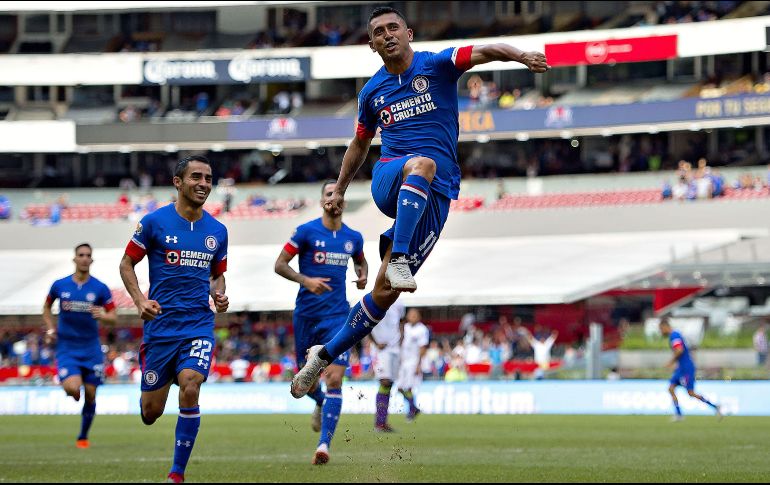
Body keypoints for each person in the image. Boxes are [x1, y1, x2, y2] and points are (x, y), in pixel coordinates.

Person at [290, 6, 548, 400]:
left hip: (437, 195)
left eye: (393, 27)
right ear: (372, 45)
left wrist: (521, 56)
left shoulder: (438, 65)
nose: (387, 34)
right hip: (392, 177)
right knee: (421, 163)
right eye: (378, 31)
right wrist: (341, 187)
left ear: (409, 33)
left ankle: (321, 356)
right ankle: (398, 261)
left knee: (383, 294)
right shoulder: (372, 93)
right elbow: (360, 143)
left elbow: (485, 50)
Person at [119, 155, 229, 483]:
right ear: (178, 182)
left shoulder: (218, 230)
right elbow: (126, 264)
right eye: (196, 177)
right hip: (160, 329)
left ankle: (176, 474)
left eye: (208, 178)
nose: (204, 184)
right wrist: (140, 300)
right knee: (151, 413)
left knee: (191, 386)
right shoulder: (154, 223)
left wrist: (218, 293)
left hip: (198, 325)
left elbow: (217, 275)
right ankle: (150, 371)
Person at [274, 179, 368, 465]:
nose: (334, 199)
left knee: (336, 378)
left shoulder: (354, 237)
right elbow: (280, 264)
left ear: (343, 202)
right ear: (322, 200)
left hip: (339, 316)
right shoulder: (305, 232)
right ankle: (322, 403)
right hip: (307, 315)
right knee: (307, 385)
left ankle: (324, 445)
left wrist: (363, 275)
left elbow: (361, 262)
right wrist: (305, 280)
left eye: (338, 194)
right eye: (329, 194)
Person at [42, 243, 117, 449]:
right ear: (74, 259)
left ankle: (83, 436)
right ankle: (73, 390)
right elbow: (46, 308)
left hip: (91, 348)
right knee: (73, 388)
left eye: (88, 255)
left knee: (91, 394)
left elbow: (113, 317)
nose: (84, 258)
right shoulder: (60, 285)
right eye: (81, 255)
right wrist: (50, 329)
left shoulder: (100, 288)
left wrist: (103, 315)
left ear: (91, 260)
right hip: (67, 347)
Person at [659, 319, 722, 422]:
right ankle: (679, 414)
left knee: (691, 393)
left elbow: (679, 350)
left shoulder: (674, 336)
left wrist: (671, 362)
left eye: (661, 329)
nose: (661, 332)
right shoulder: (675, 335)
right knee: (671, 388)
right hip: (681, 368)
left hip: (686, 368)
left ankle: (715, 407)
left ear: (665, 327)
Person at [369, 299, 405, 432]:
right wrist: (375, 342)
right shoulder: (375, 298)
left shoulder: (400, 303)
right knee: (384, 381)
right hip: (380, 349)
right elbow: (366, 324)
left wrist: (401, 339)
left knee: (389, 384)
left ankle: (382, 422)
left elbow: (401, 322)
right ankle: (379, 423)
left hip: (394, 348)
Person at [397, 308, 429, 421]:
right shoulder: (405, 328)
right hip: (403, 361)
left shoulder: (422, 329)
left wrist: (419, 364)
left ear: (419, 316)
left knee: (409, 387)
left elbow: (423, 348)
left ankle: (411, 411)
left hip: (413, 361)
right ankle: (414, 407)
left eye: (415, 315)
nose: (412, 317)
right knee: (399, 388)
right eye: (411, 315)